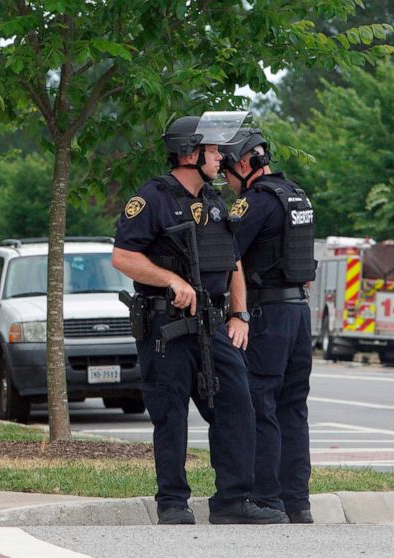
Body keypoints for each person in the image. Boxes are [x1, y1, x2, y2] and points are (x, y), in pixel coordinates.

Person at [112, 115, 288, 525]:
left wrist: (239, 314)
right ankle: (172, 501)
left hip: (212, 325)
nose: (221, 158)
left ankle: (232, 500)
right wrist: (171, 279)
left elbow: (234, 262)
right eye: (214, 151)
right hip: (167, 326)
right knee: (170, 414)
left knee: (236, 405)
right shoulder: (152, 198)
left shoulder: (214, 201)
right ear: (190, 153)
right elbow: (123, 257)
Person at [220, 128, 317, 524]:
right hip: (298, 314)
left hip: (269, 315)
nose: (225, 181)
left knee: (261, 405)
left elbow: (227, 250)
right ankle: (298, 501)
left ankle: (266, 498)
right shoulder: (297, 195)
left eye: (226, 170)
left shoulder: (255, 202)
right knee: (293, 407)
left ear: (244, 164)